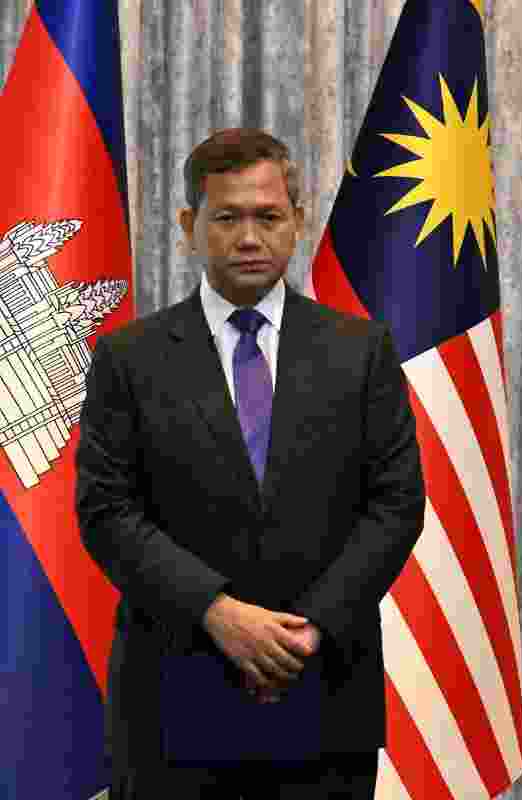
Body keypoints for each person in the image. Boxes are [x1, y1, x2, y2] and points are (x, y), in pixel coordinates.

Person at [76, 128, 424, 798]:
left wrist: (309, 627)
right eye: (226, 217)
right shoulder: (128, 357)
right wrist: (216, 611)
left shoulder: (361, 351)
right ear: (190, 226)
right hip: (172, 706)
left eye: (268, 217)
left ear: (298, 222)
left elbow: (396, 504)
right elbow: (107, 512)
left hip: (322, 698)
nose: (248, 238)